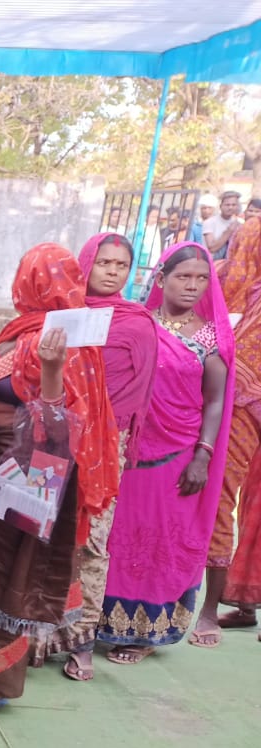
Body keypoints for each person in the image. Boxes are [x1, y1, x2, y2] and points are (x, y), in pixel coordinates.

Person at [0, 244, 119, 712]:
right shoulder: (19, 333)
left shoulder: (62, 341)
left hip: (23, 464)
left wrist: (52, 370)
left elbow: (57, 416)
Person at [98, 243, 231, 659]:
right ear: (160, 279)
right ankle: (102, 622)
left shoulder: (210, 335)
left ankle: (145, 634)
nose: (192, 286)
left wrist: (203, 456)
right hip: (128, 448)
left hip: (177, 456)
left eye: (201, 279)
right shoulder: (138, 324)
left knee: (159, 541)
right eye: (183, 277)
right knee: (118, 534)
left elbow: (215, 401)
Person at [50, 233, 157, 679]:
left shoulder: (137, 323)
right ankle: (42, 631)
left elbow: (137, 393)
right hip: (58, 437)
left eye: (121, 265)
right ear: (86, 263)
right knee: (48, 535)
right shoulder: (66, 314)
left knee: (92, 541)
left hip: (105, 446)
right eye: (104, 263)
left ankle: (82, 639)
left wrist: (104, 432)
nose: (112, 271)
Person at [191, 204, 261, 637]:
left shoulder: (250, 236)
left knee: (222, 492)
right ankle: (244, 603)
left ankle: (209, 612)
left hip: (245, 400)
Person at [204, 190, 241, 261]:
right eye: (227, 205)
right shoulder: (209, 222)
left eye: (233, 205)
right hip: (211, 264)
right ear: (221, 206)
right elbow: (212, 248)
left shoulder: (239, 224)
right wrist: (229, 231)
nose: (230, 207)